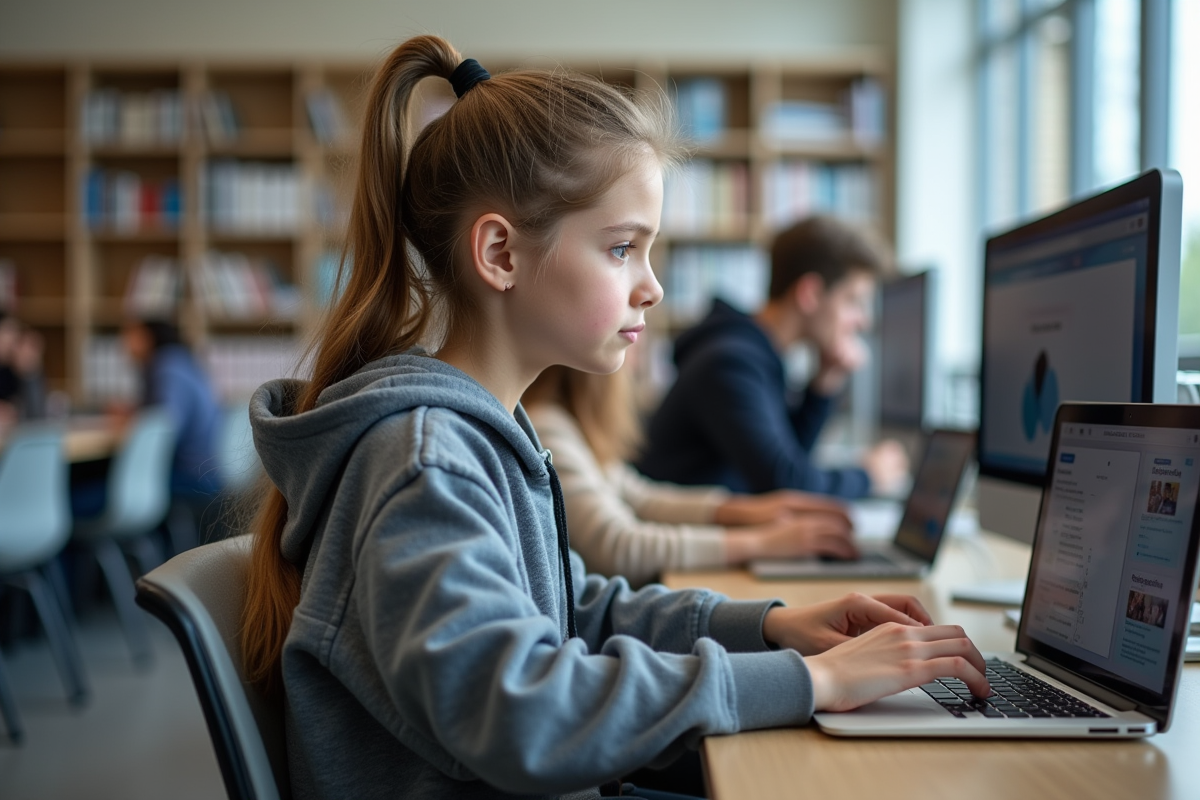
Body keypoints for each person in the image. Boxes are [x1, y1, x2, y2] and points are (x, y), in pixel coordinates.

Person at [240, 36, 990, 800]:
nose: (652, 288)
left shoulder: (485, 433)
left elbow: (577, 611)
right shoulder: (425, 458)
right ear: (499, 253)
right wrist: (810, 680)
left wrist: (770, 626)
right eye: (623, 249)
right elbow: (518, 712)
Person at [637, 215, 910, 499]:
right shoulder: (730, 363)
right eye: (853, 301)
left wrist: (824, 382)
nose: (863, 322)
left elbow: (791, 457)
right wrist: (867, 477)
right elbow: (785, 483)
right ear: (811, 294)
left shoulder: (754, 355)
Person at [524, 364, 858, 587]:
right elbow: (617, 546)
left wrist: (749, 511)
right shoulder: (548, 427)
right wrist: (761, 543)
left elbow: (638, 496)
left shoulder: (568, 424)